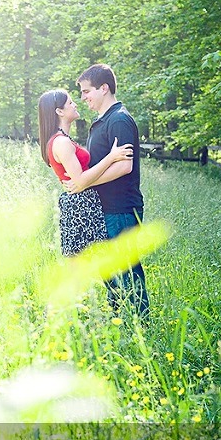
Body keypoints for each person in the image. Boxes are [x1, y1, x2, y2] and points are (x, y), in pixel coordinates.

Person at [64, 64, 149, 319]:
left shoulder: (120, 119)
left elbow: (125, 166)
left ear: (104, 88)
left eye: (87, 91)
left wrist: (84, 183)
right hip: (104, 209)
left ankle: (140, 329)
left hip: (122, 209)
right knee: (110, 273)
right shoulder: (101, 122)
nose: (83, 97)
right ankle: (119, 324)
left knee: (127, 272)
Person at [38, 88, 133, 256]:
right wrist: (111, 157)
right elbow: (81, 181)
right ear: (59, 111)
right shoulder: (61, 142)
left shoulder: (63, 139)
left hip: (84, 203)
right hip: (79, 206)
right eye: (70, 102)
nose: (75, 104)